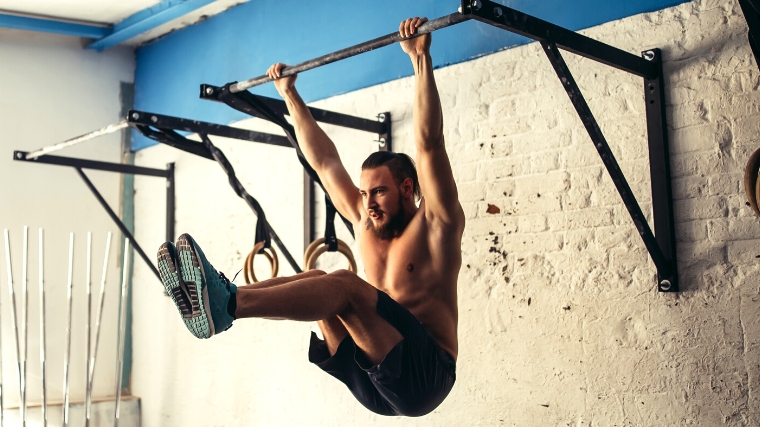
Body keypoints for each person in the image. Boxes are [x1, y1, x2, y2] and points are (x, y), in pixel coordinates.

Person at [156, 17, 465, 417]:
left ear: (408, 188)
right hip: (374, 380)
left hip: (424, 377)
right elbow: (323, 161)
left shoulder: (437, 224)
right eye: (364, 192)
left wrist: (421, 58)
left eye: (380, 191)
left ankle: (227, 303)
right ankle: (223, 304)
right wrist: (290, 96)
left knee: (346, 286)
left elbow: (429, 143)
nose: (368, 203)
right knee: (322, 281)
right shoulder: (364, 221)